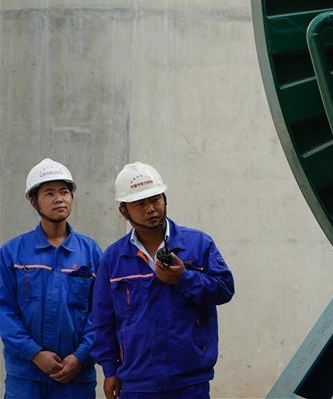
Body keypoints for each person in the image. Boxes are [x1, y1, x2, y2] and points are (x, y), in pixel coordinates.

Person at [91, 162, 234, 399]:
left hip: (190, 380)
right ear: (124, 211)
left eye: (155, 200)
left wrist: (184, 278)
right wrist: (109, 370)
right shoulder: (113, 259)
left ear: (165, 199)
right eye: (140, 204)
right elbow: (103, 320)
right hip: (137, 383)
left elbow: (224, 289)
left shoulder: (198, 244)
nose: (150, 209)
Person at [0, 158, 102, 398]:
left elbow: (102, 312)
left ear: (72, 197)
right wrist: (34, 353)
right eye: (49, 193)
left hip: (76, 379)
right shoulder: (12, 253)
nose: (59, 199)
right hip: (25, 378)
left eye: (64, 192)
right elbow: (3, 311)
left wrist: (81, 356)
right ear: (33, 201)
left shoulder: (91, 252)